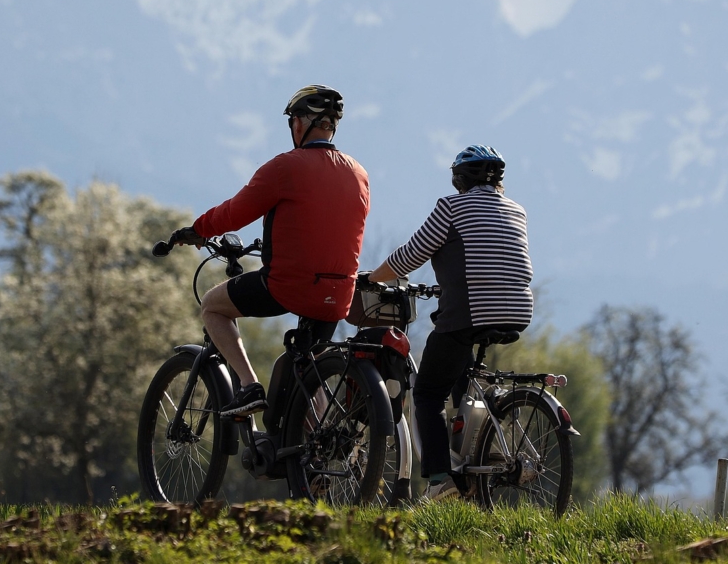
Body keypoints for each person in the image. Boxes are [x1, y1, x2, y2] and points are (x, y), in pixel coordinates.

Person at [166, 85, 370, 418]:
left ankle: (248, 386)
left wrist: (198, 229)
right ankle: (314, 460)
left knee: (213, 306)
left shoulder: (285, 167)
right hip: (340, 293)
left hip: (289, 286)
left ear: (300, 124)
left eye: (292, 121)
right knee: (308, 372)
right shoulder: (359, 173)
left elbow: (236, 212)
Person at [364, 145, 533, 501]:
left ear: (459, 179)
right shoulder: (517, 211)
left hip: (471, 311)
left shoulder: (452, 207)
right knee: (460, 371)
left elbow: (411, 254)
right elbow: (489, 260)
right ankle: (483, 443)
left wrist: (373, 278)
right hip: (517, 310)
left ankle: (441, 479)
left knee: (427, 393)